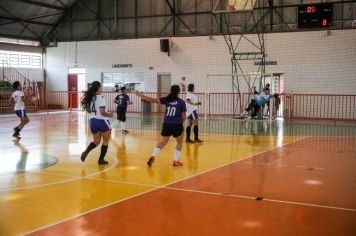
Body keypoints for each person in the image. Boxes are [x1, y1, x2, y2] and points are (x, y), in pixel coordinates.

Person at [136, 85, 186, 167]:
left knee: (163, 142)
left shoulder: (166, 99)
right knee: (179, 143)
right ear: (179, 92)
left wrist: (140, 95)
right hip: (177, 124)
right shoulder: (181, 102)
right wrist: (181, 123)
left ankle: (153, 156)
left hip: (166, 124)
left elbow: (152, 100)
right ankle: (176, 161)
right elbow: (183, 116)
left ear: (170, 90)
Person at [80, 81, 114, 165]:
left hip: (92, 121)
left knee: (96, 141)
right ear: (98, 88)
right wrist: (109, 114)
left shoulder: (89, 98)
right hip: (101, 121)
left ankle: (86, 152)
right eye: (101, 87)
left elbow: (88, 110)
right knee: (105, 141)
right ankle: (101, 160)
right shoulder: (101, 97)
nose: (101, 88)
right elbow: (102, 112)